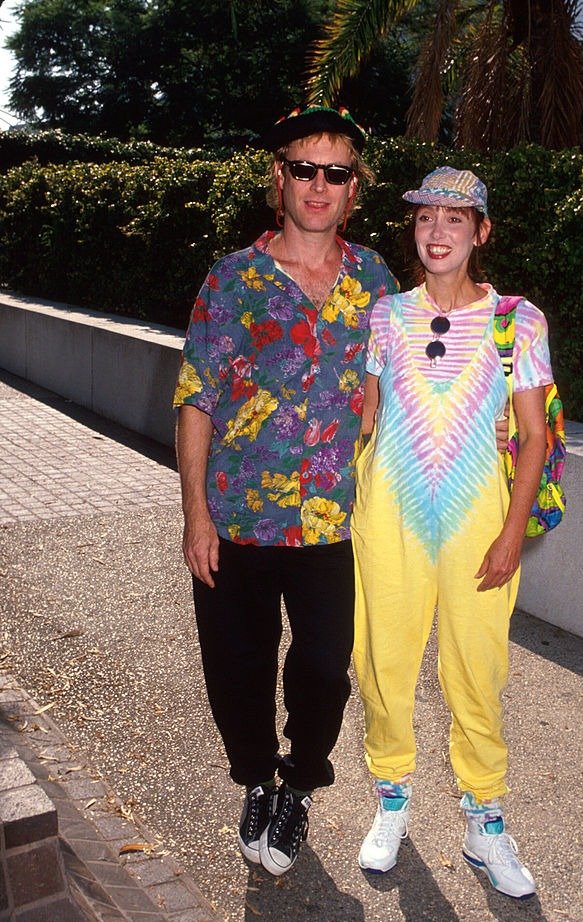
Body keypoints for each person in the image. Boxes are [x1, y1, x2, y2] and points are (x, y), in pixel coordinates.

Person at [173, 106, 398, 876]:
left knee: (325, 665)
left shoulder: (374, 280)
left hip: (334, 522)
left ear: (353, 189)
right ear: (279, 178)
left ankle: (301, 782)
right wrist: (195, 514)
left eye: (335, 173)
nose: (318, 185)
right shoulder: (232, 279)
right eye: (304, 168)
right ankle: (256, 779)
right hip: (237, 516)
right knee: (236, 664)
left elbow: (403, 386)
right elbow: (197, 395)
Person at [352, 167, 551, 899]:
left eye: (454, 220)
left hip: (476, 523)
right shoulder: (383, 315)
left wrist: (509, 533)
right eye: (426, 218)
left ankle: (484, 821)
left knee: (477, 670)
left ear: (480, 232)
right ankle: (392, 801)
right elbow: (366, 421)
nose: (437, 233)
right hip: (389, 518)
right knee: (382, 662)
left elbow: (530, 437)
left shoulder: (516, 321)